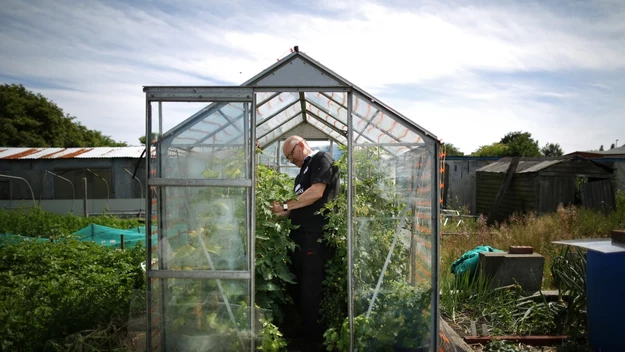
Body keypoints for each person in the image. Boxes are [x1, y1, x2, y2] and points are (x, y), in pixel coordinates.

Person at [270, 135, 340, 350]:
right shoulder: (301, 174)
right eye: (288, 158)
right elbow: (295, 207)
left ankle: (315, 341)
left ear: (300, 145)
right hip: (301, 239)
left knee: (312, 289)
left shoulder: (321, 159)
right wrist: (275, 213)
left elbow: (316, 193)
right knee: (300, 287)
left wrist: (284, 205)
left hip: (315, 238)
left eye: (291, 155)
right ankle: (304, 332)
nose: (291, 161)